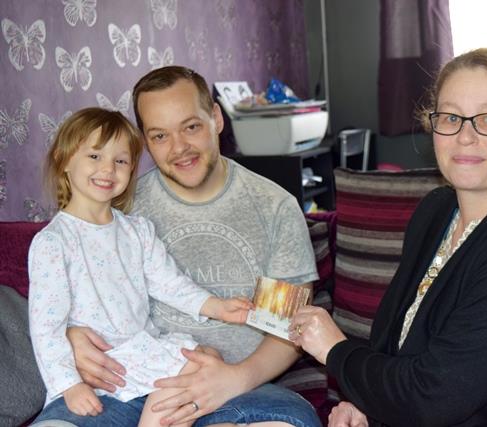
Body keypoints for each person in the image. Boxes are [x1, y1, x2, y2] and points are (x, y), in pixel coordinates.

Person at [289, 48, 487, 426]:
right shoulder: (436, 210)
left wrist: (335, 350)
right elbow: (396, 344)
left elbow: (430, 398)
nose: (465, 137)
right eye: (451, 117)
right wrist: (368, 402)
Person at [35, 66, 321, 427]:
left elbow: (288, 329)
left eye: (191, 127)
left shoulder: (274, 206)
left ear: (216, 118)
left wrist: (234, 380)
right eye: (159, 135)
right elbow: (72, 288)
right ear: (144, 141)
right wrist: (72, 336)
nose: (179, 148)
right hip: (122, 384)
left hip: (243, 386)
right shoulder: (121, 203)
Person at [28, 107, 253, 426]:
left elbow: (169, 284)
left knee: (205, 362)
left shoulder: (137, 231)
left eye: (120, 161)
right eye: (94, 156)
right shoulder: (53, 243)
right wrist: (68, 383)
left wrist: (219, 307)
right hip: (100, 363)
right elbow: (46, 326)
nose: (108, 169)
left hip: (140, 350)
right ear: (64, 160)